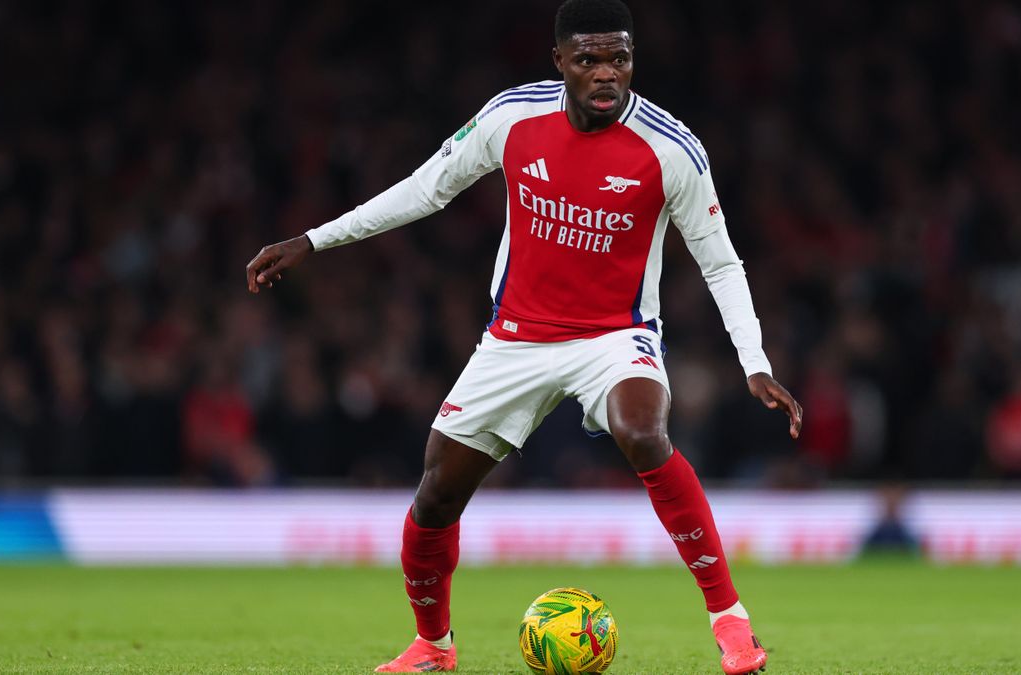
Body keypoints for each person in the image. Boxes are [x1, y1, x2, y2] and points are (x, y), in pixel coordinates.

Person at [245, 0, 802, 672]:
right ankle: (433, 644)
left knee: (644, 431)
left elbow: (720, 258)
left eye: (619, 58)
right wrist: (313, 239)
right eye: (590, 58)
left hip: (614, 335)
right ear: (560, 61)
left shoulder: (670, 148)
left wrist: (754, 360)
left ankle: (731, 622)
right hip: (516, 338)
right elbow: (427, 190)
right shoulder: (512, 116)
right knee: (436, 495)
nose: (606, 73)